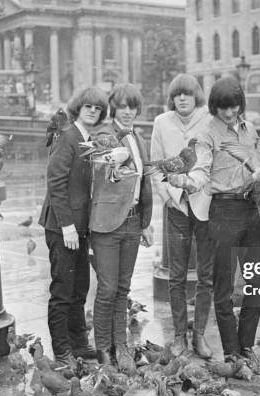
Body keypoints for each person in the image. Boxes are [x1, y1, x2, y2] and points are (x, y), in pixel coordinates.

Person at [169, 76, 260, 363]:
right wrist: (186, 182)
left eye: (234, 106)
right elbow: (201, 171)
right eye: (223, 107)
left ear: (240, 104)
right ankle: (231, 351)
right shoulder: (205, 134)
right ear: (214, 107)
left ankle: (246, 345)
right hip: (223, 212)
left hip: (250, 209)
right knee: (223, 287)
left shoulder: (250, 130)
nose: (229, 113)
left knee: (257, 282)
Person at [38, 87, 109, 366]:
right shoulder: (67, 137)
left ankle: (79, 342)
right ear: (78, 108)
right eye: (88, 106)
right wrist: (67, 225)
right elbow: (55, 182)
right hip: (61, 226)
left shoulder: (88, 139)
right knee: (63, 288)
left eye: (98, 108)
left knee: (80, 286)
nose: (93, 111)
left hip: (80, 226)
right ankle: (62, 348)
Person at [90, 83, 153, 374]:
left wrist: (146, 223)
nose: (128, 112)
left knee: (123, 289)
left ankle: (121, 345)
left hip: (132, 221)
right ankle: (104, 349)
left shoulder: (139, 137)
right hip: (107, 224)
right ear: (114, 107)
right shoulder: (104, 134)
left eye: (133, 107)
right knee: (107, 289)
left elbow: (145, 181)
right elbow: (102, 157)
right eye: (122, 106)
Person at [150, 74, 214, 358]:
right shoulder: (161, 122)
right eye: (177, 95)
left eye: (187, 94)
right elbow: (155, 167)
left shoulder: (210, 121)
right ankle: (179, 337)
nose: (182, 99)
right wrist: (167, 199)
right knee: (176, 276)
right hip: (176, 207)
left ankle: (199, 334)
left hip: (205, 207)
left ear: (196, 96)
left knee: (206, 275)